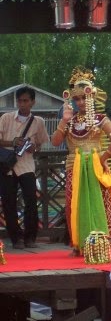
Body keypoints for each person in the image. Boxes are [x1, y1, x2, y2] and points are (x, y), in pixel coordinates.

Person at [50, 67, 111, 255]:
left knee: (99, 203)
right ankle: (79, 244)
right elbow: (55, 141)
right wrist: (64, 121)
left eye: (84, 97)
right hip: (74, 167)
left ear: (92, 97)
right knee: (75, 204)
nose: (81, 102)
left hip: (95, 168)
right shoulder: (70, 120)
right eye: (77, 98)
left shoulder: (100, 119)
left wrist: (101, 158)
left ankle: (102, 242)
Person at [0, 86, 49, 249]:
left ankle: (30, 237)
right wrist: (12, 142)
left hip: (27, 165)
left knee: (31, 200)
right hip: (8, 166)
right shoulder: (6, 118)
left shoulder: (38, 122)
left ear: (32, 102)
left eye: (26, 101)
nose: (22, 104)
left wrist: (32, 148)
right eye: (20, 100)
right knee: (9, 203)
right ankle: (16, 238)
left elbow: (40, 144)